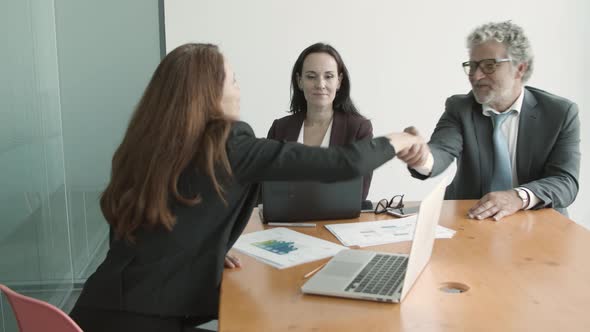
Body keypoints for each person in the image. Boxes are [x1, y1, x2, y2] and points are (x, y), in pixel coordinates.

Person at [69, 43, 423, 331]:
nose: (240, 89)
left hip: (96, 311)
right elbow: (344, 164)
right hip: (149, 320)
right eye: (234, 80)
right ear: (209, 93)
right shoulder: (228, 143)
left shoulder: (150, 143)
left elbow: (154, 221)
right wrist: (401, 138)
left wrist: (206, 247)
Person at [398, 21, 580, 221]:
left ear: (519, 69)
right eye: (472, 66)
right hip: (470, 219)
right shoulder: (460, 107)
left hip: (536, 221)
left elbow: (565, 181)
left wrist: (517, 197)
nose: (476, 76)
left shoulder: (559, 113)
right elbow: (441, 150)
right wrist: (422, 158)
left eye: (489, 66)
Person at [267, 43, 374, 208]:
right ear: (299, 81)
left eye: (329, 76)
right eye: (311, 76)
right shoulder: (280, 128)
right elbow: (266, 190)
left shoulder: (359, 129)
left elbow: (359, 194)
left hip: (338, 224)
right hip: (285, 225)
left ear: (339, 81)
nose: (320, 84)